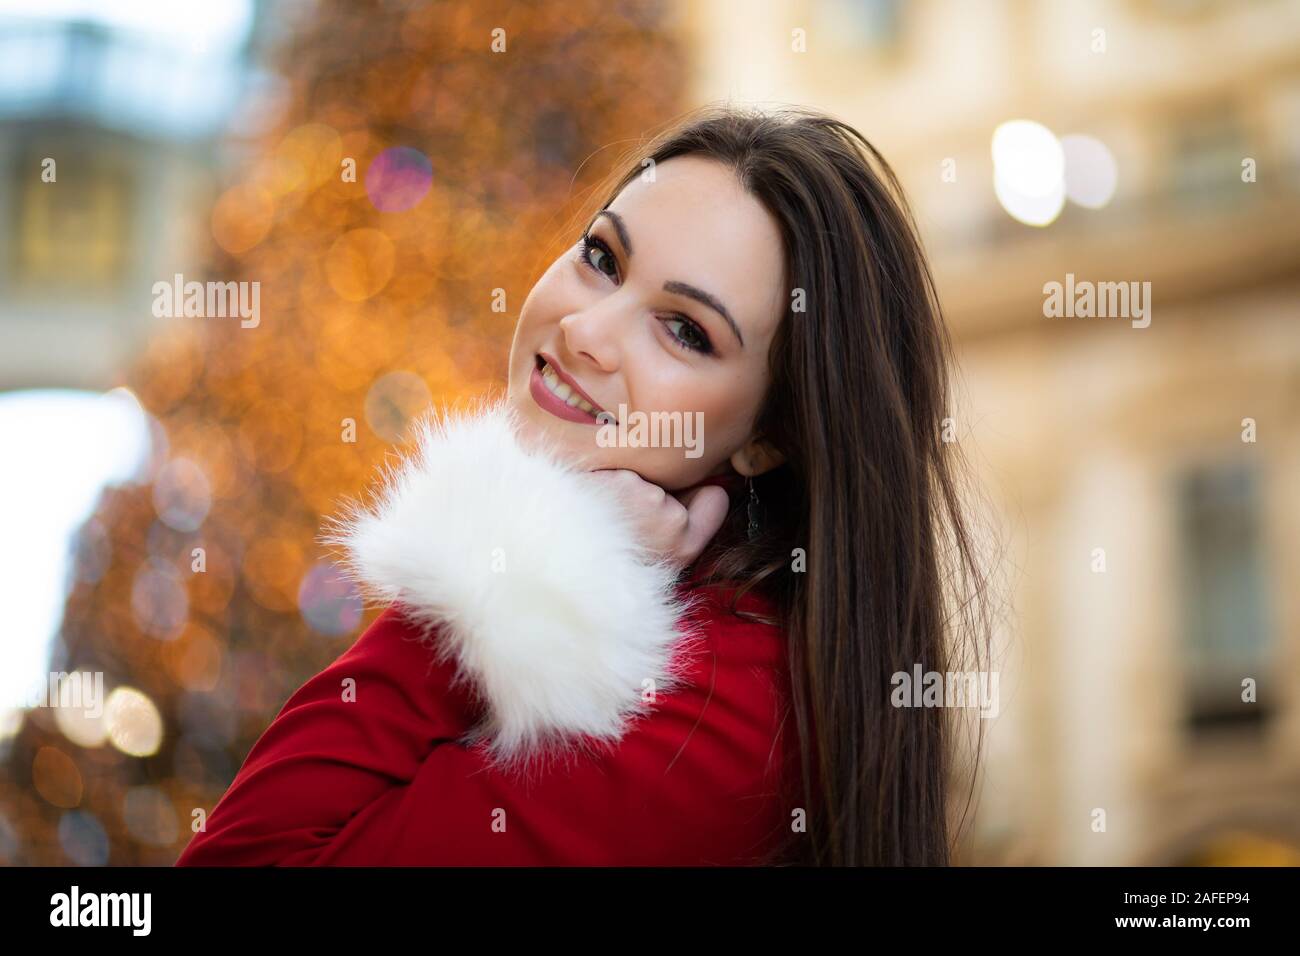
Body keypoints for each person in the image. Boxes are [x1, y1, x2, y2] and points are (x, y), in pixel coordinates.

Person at [175, 104, 996, 867]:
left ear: (771, 438)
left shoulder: (722, 711)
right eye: (602, 258)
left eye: (685, 331)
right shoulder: (673, 608)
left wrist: (514, 573)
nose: (585, 331)